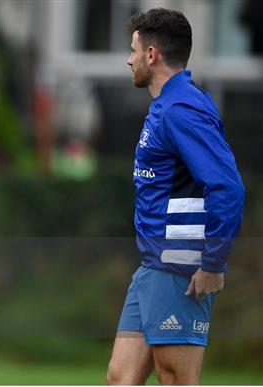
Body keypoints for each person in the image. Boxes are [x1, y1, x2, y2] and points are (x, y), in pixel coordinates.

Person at [106, 8, 244, 385]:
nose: (129, 59)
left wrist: (214, 264)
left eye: (133, 50)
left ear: (152, 55)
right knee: (121, 378)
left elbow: (227, 187)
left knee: (176, 379)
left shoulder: (183, 109)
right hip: (153, 266)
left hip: (179, 268)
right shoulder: (167, 106)